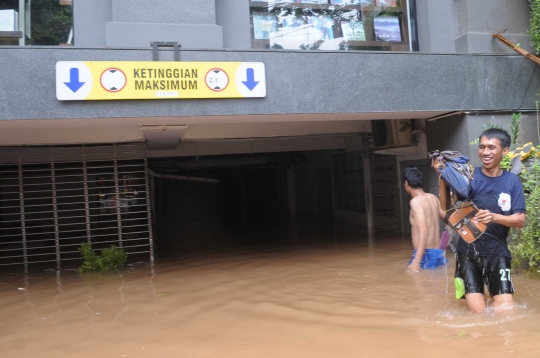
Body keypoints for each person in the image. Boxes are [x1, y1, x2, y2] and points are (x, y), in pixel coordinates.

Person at [454, 128, 526, 313]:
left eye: (491, 147)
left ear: (505, 151)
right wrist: (443, 177)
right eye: (482, 147)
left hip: (498, 252)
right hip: (468, 253)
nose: (485, 152)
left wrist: (494, 217)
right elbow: (448, 209)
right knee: (478, 314)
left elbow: (520, 220)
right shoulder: (468, 177)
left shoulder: (512, 182)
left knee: (506, 310)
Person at [403, 167, 448, 272]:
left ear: (406, 183)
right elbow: (448, 220)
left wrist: (417, 261)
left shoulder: (415, 202)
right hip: (439, 253)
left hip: (426, 255)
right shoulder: (433, 198)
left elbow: (424, 231)